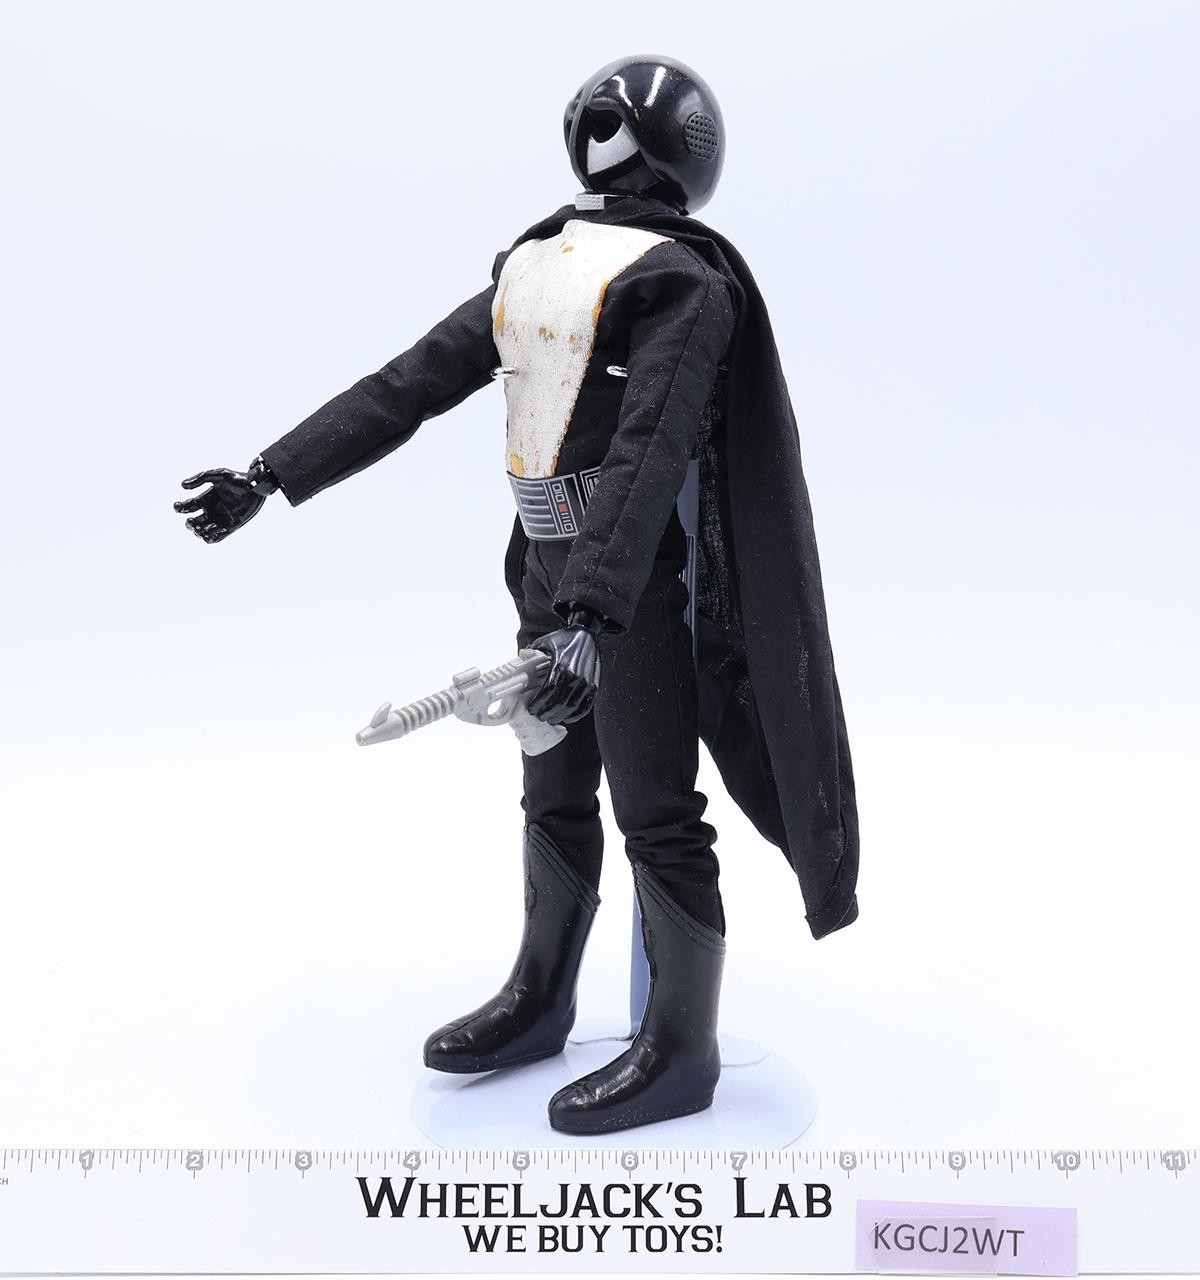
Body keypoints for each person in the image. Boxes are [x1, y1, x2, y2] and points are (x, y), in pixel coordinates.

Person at [174, 55, 859, 1135]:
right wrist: (271, 473)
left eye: (613, 122)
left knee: (656, 809)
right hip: (546, 569)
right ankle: (542, 998)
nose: (596, 134)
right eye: (591, 117)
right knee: (552, 787)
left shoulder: (682, 280)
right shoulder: (539, 257)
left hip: (627, 586)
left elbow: (649, 449)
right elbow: (411, 382)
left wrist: (592, 616)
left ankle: (681, 1047)